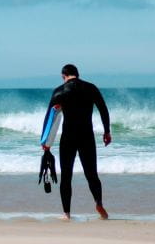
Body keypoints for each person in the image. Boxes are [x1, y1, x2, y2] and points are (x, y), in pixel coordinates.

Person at [42, 64, 111, 220]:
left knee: (66, 176)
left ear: (63, 76)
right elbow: (103, 109)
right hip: (86, 136)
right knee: (92, 174)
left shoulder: (59, 91)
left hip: (68, 137)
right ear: (77, 74)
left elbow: (49, 118)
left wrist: (45, 141)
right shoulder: (91, 88)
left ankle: (66, 214)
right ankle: (98, 202)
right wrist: (106, 131)